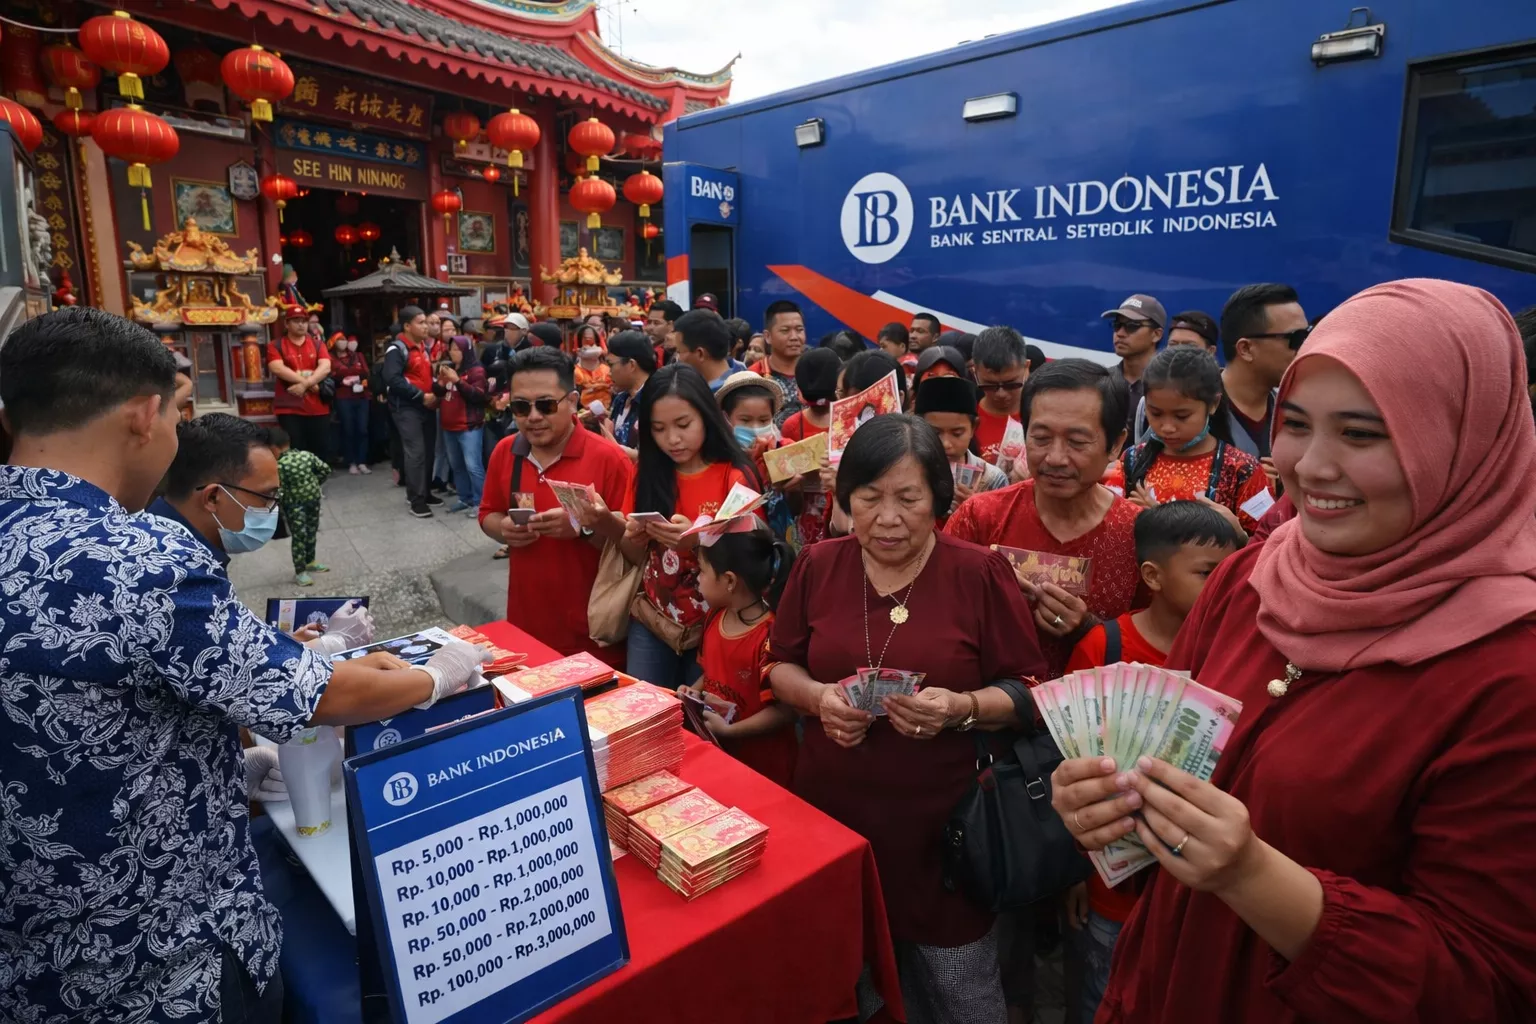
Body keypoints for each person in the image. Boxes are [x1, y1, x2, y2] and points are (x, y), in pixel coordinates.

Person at [1058, 278, 1536, 1024]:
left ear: (1464, 441)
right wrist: (1108, 801)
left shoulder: (1508, 676)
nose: (1310, 466)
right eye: (1298, 424)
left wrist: (1253, 875)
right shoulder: (1249, 576)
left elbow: (1486, 984)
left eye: (1362, 434)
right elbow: (1162, 756)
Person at [0, 307, 488, 1024]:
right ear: (144, 415)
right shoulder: (139, 557)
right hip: (161, 958)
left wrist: (224, 766)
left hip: (31, 954)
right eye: (179, 414)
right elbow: (312, 695)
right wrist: (439, 673)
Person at [767, 414, 1046, 1023]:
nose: (887, 518)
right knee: (855, 979)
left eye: (908, 499)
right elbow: (780, 665)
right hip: (837, 819)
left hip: (945, 833)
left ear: (939, 500)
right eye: (869, 498)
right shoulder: (818, 565)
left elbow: (1028, 691)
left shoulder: (977, 572)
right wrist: (818, 699)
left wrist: (961, 709)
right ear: (846, 499)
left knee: (960, 992)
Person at [1060, 500, 1243, 1024]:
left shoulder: (1236, 652)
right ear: (1153, 576)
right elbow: (1071, 767)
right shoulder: (1105, 646)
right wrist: (1074, 872)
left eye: (1231, 573)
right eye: (1207, 573)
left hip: (1201, 892)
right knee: (1102, 994)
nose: (1223, 587)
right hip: (1116, 893)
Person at [946, 359, 1142, 677]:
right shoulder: (979, 517)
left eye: (1077, 442)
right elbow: (934, 613)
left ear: (1116, 444)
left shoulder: (1141, 536)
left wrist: (1092, 631)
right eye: (1041, 438)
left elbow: (1165, 651)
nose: (1055, 458)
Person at [479, 347, 634, 665]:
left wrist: (584, 527)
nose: (534, 417)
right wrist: (503, 529)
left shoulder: (610, 459)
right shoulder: (505, 452)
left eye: (546, 405)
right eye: (521, 407)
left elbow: (636, 548)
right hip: (525, 627)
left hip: (594, 636)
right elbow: (487, 514)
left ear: (573, 401)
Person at [619, 364, 761, 689]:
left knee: (699, 711)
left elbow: (754, 560)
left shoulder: (735, 476)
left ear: (707, 417)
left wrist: (698, 542)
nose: (672, 439)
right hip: (653, 619)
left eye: (683, 424)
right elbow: (632, 555)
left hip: (718, 623)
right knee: (645, 707)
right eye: (658, 428)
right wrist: (634, 537)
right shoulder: (646, 473)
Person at [687, 526, 799, 787]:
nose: (697, 578)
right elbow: (711, 673)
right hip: (721, 758)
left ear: (729, 581)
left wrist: (730, 731)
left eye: (702, 570)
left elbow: (786, 711)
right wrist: (692, 693)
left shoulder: (770, 636)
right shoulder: (714, 617)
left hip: (765, 769)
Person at [1122, 346, 1272, 535]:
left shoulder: (1243, 471)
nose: (1167, 427)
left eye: (1182, 416)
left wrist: (1238, 534)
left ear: (1213, 404)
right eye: (1156, 413)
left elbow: (1268, 542)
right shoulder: (1132, 461)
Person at [149, 413, 282, 569]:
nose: (273, 507)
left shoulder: (141, 532)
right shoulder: (192, 576)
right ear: (212, 497)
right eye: (266, 496)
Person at [1218, 283, 1309, 464]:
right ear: (1246, 349)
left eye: (1308, 335)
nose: (1305, 348)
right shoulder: (1188, 411)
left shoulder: (1298, 410)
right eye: (1296, 339)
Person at [915, 375, 1009, 518]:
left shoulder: (993, 480)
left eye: (957, 433)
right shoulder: (906, 472)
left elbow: (1002, 527)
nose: (946, 444)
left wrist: (978, 512)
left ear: (973, 427)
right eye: (935, 433)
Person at [380, 305, 442, 518]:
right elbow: (392, 379)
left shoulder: (423, 347)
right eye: (421, 322)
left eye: (426, 322)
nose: (426, 327)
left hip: (427, 406)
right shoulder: (396, 350)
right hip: (406, 408)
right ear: (407, 326)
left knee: (429, 450)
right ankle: (416, 499)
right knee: (416, 452)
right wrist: (420, 396)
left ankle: (425, 492)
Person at [778, 347, 840, 551]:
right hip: (806, 519)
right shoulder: (792, 426)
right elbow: (789, 491)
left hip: (838, 514)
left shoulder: (845, 421)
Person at [266, 303, 332, 457]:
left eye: (304, 321)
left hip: (318, 408)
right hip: (289, 408)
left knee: (319, 452)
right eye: (296, 321)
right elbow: (277, 368)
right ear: (286, 324)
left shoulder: (318, 344)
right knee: (295, 451)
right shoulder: (276, 345)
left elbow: (326, 367)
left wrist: (305, 384)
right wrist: (308, 383)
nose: (301, 324)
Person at [268, 426, 331, 586]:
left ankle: (301, 571)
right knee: (311, 531)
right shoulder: (306, 455)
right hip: (314, 499)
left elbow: (278, 488)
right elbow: (325, 469)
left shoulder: (279, 465)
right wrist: (314, 484)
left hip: (294, 506)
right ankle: (311, 561)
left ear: (274, 448)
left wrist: (281, 500)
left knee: (299, 537)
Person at [436, 335, 489, 513]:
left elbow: (479, 396)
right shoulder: (450, 369)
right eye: (451, 349)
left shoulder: (476, 371)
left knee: (473, 466)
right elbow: (437, 392)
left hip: (469, 426)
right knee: (457, 465)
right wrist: (440, 381)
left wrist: (458, 381)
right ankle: (464, 498)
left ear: (466, 351)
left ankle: (482, 503)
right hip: (448, 426)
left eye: (457, 349)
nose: (453, 352)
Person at [1102, 294, 1165, 441]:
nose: (1120, 333)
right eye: (1117, 325)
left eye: (1132, 326)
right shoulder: (1102, 381)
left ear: (1156, 334)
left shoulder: (1170, 387)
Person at [972, 325, 1030, 464]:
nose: (1001, 394)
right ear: (975, 373)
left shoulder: (1045, 415)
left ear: (1026, 368)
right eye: (989, 385)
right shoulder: (964, 420)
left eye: (1011, 384)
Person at [751, 299, 807, 426]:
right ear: (767, 336)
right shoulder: (753, 376)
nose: (794, 337)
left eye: (799, 330)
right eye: (785, 330)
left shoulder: (815, 371)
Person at [602, 329, 655, 455]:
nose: (608, 373)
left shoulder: (656, 401)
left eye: (611, 365)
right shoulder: (620, 399)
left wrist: (622, 452)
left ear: (631, 365)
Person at [331, 331, 372, 474]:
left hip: (361, 395)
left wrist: (357, 378)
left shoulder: (357, 355)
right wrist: (342, 381)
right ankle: (351, 461)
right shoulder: (331, 358)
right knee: (348, 429)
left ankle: (362, 461)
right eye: (339, 340)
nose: (343, 342)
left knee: (362, 429)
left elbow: (366, 372)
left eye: (344, 339)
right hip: (343, 397)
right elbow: (330, 376)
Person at [672, 308, 739, 391]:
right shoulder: (743, 377)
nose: (677, 358)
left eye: (679, 352)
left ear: (700, 354)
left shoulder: (711, 396)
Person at [575, 341, 614, 412]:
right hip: (583, 411)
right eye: (586, 346)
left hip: (607, 409)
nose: (590, 348)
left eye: (592, 345)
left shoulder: (607, 370)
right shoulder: (575, 372)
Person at [646, 298, 684, 366]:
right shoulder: (647, 348)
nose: (650, 328)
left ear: (671, 325)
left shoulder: (681, 355)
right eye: (649, 322)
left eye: (656, 323)